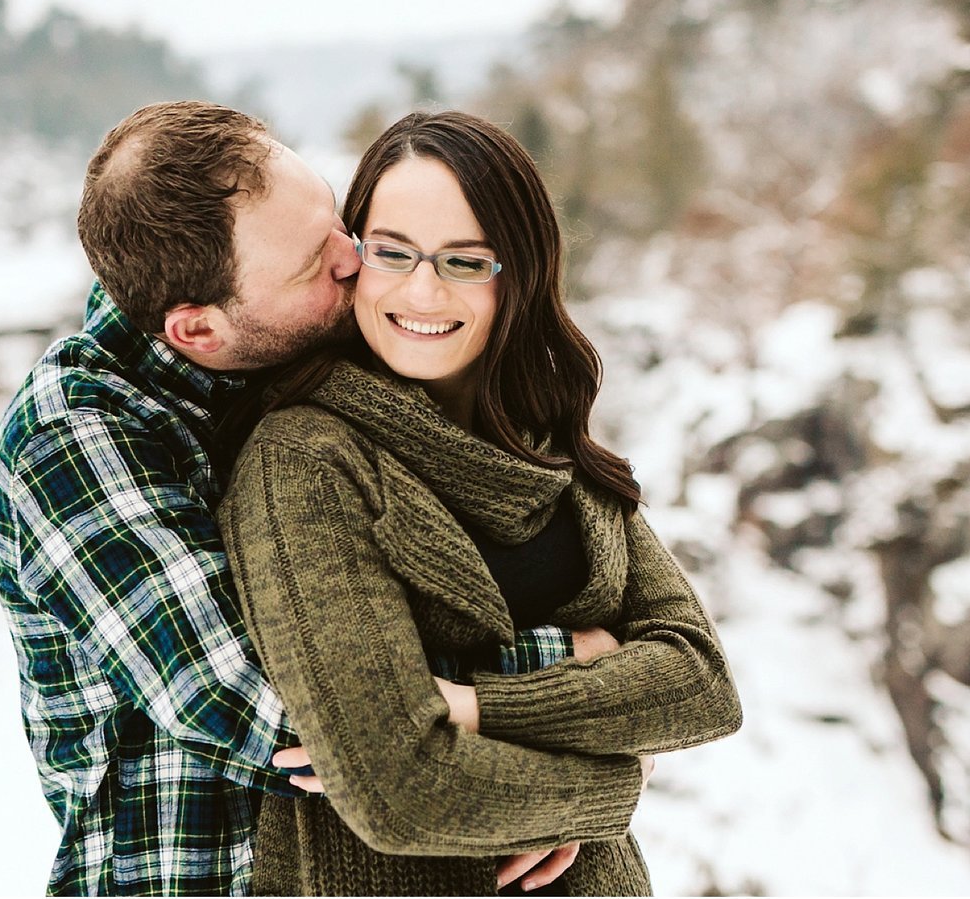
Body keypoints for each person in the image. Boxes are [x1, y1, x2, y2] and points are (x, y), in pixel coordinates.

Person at [0, 102, 589, 896]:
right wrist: (584, 693)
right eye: (316, 264)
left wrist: (614, 712)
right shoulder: (73, 437)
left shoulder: (319, 355)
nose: (354, 258)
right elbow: (285, 706)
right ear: (198, 329)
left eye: (338, 220)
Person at [215, 111, 744, 894]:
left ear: (518, 272)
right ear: (352, 252)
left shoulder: (545, 436)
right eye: (391, 251)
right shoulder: (306, 459)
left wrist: (472, 703)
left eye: (465, 261)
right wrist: (607, 784)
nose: (421, 289)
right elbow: (398, 787)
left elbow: (701, 685)